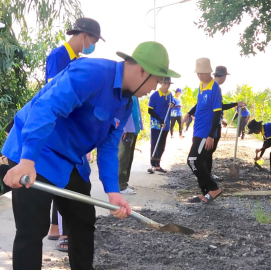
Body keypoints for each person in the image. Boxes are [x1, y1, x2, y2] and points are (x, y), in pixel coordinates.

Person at [2, 41, 180, 270]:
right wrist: (27, 161)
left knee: (83, 222)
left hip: (70, 159)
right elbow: (46, 108)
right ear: (142, 71)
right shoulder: (92, 73)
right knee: (32, 230)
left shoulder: (126, 103)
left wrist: (113, 192)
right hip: (37, 150)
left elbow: (107, 148)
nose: (156, 87)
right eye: (157, 79)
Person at [45, 17, 104, 252]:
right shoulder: (59, 56)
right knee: (63, 179)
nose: (94, 45)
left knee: (66, 178)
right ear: (84, 36)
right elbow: (55, 95)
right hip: (59, 129)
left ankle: (57, 228)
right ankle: (62, 231)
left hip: (72, 129)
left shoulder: (77, 60)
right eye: (94, 40)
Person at [184, 65, 245, 180]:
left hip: (206, 125)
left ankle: (207, 174)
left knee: (207, 152)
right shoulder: (214, 87)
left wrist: (188, 113)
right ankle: (205, 177)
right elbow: (218, 107)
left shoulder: (208, 86)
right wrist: (235, 104)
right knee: (204, 153)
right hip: (210, 126)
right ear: (223, 76)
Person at [187, 58, 223, 204]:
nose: (200, 75)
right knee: (199, 161)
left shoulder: (215, 88)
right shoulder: (202, 85)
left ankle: (214, 188)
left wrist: (211, 136)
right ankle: (205, 192)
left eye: (202, 72)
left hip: (205, 132)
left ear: (209, 71)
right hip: (198, 131)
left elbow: (217, 113)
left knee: (193, 160)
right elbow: (200, 106)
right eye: (198, 73)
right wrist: (188, 114)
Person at [147, 77, 175, 174]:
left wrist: (172, 104)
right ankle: (154, 164)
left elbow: (173, 102)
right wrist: (160, 120)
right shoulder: (155, 95)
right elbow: (150, 110)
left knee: (162, 145)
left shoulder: (170, 94)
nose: (167, 86)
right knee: (155, 144)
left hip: (166, 124)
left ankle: (157, 163)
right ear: (161, 84)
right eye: (165, 84)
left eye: (168, 84)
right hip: (156, 124)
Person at [118, 96, 143, 195]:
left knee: (129, 157)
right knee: (123, 156)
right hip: (126, 130)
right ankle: (120, 185)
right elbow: (119, 110)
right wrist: (123, 128)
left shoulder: (135, 94)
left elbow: (137, 110)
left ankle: (124, 181)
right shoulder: (125, 93)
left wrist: (140, 125)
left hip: (133, 129)